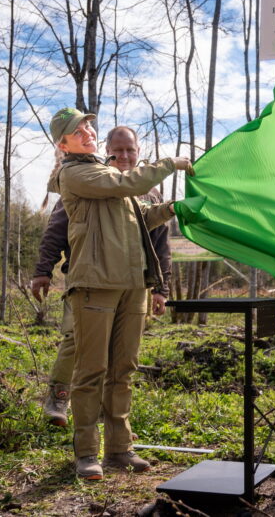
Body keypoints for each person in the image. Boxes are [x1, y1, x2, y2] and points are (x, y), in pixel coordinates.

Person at [46, 107, 193, 480]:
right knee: (91, 371)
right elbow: (127, 184)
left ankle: (119, 449)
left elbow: (141, 218)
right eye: (77, 130)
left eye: (88, 126)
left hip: (133, 285)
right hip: (95, 284)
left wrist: (170, 209)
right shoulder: (76, 173)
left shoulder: (106, 173)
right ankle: (86, 453)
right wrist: (170, 163)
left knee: (123, 370)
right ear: (63, 145)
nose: (87, 132)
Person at [31, 125, 174, 427]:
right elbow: (56, 230)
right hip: (90, 281)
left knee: (121, 353)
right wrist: (43, 270)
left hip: (133, 284)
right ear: (107, 151)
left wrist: (162, 289)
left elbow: (160, 245)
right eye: (118, 150)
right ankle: (59, 397)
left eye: (130, 150)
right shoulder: (89, 179)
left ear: (138, 152)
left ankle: (111, 422)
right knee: (76, 339)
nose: (124, 155)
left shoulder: (149, 192)